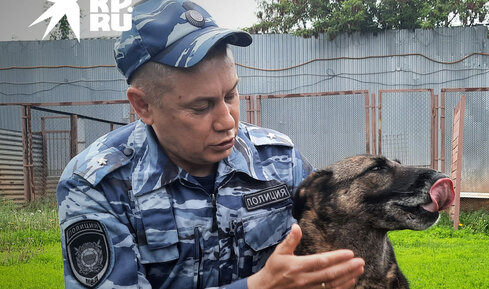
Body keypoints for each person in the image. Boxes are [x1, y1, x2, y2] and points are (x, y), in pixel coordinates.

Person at [57, 0, 365, 288]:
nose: (227, 121)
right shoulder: (97, 185)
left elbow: (334, 237)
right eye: (201, 107)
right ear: (143, 106)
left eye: (231, 95)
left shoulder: (278, 159)